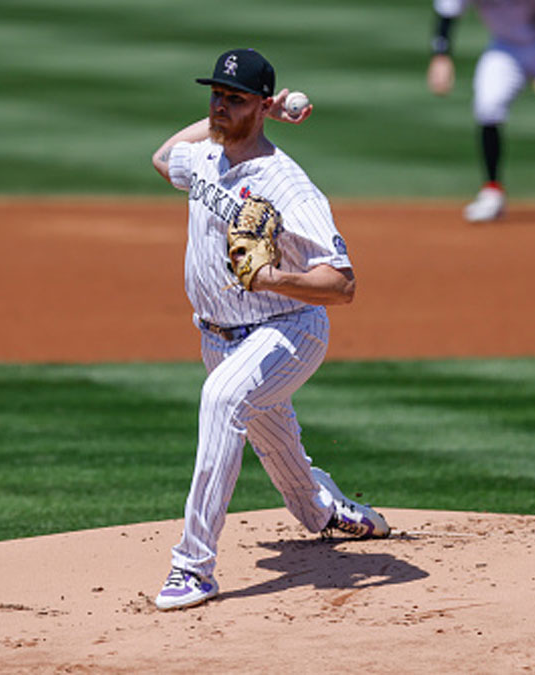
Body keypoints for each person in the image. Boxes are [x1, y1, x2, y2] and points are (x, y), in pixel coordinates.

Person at [149, 47, 391, 612]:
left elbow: (342, 284)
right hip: (218, 336)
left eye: (234, 99)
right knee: (277, 447)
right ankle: (323, 509)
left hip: (287, 331)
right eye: (215, 95)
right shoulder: (206, 157)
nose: (219, 107)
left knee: (222, 400)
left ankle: (193, 567)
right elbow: (163, 159)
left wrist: (273, 277)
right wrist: (238, 118)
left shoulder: (288, 185)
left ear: (257, 106)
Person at [426, 0, 535, 221]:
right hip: (506, 49)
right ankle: (492, 191)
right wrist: (441, 56)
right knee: (487, 105)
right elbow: (446, 14)